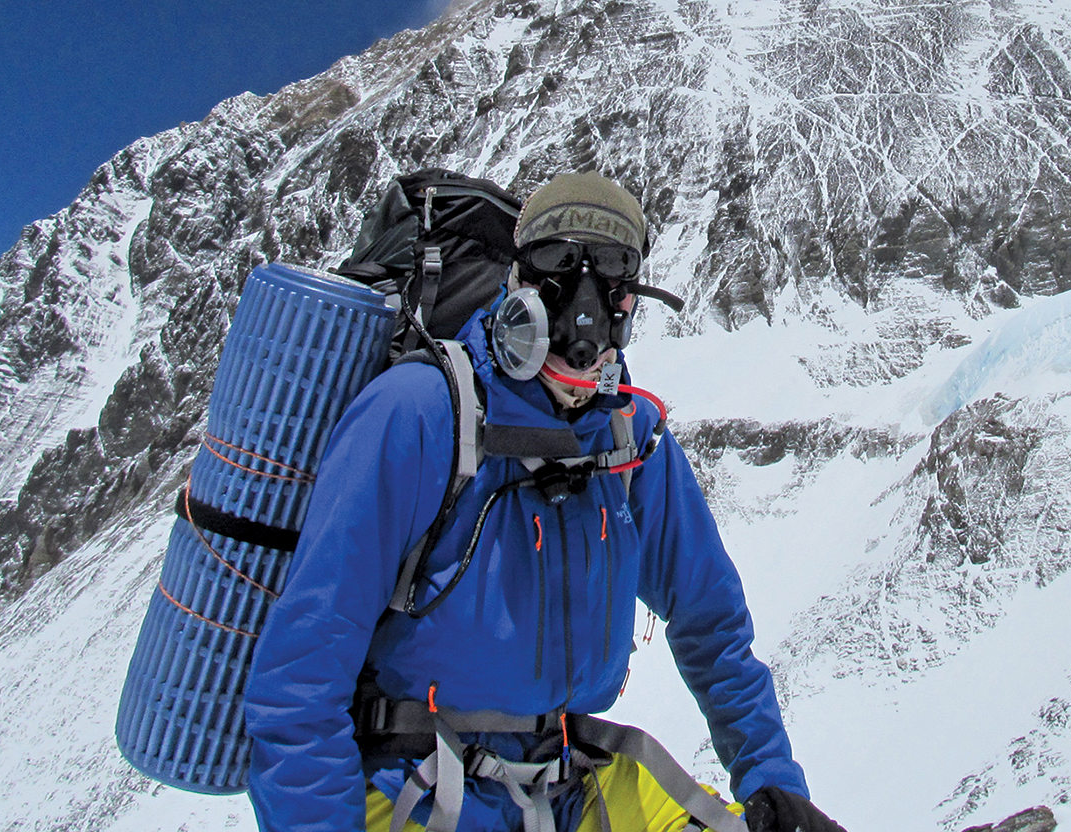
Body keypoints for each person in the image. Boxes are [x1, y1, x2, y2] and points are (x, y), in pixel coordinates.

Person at [246, 172, 847, 832]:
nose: (584, 306)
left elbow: (713, 626)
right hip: (421, 786)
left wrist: (771, 783)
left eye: (613, 273)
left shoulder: (629, 437)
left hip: (572, 784)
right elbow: (299, 684)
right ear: (518, 279)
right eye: (560, 265)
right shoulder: (421, 415)